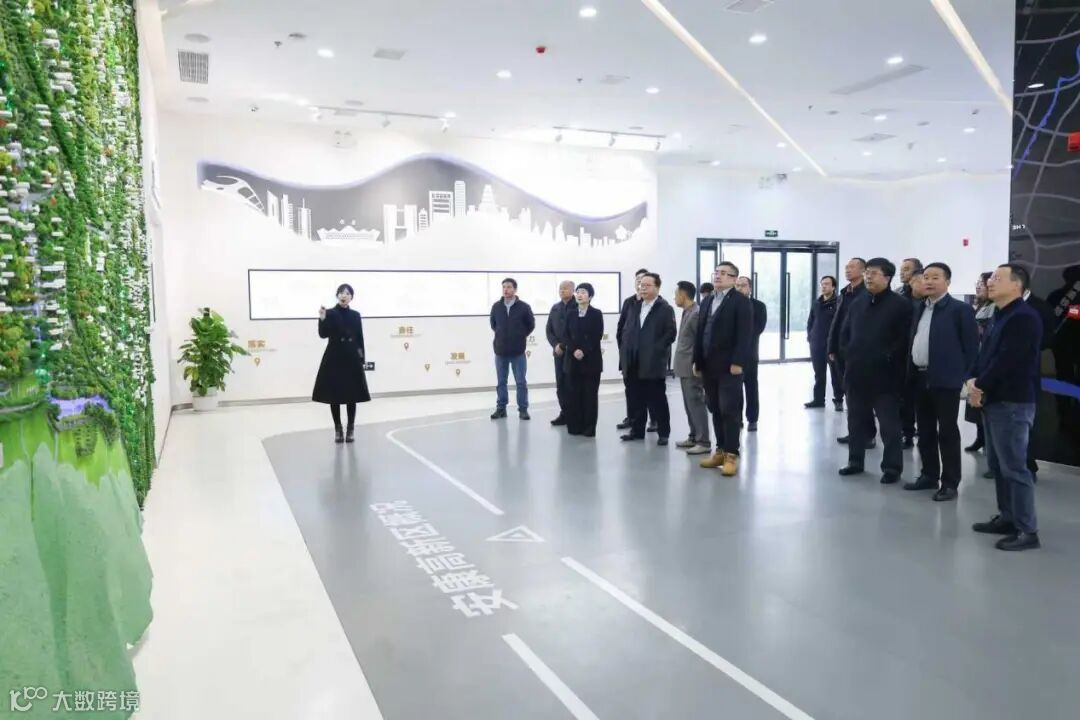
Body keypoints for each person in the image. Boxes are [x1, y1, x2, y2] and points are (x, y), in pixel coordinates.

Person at [968, 264, 1044, 551]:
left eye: (998, 278)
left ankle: (1028, 530)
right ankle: (1008, 518)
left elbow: (1008, 360)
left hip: (1013, 401)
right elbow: (984, 354)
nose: (990, 282)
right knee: (998, 466)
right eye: (990, 278)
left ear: (1016, 285)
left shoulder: (1024, 317)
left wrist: (979, 385)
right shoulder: (999, 313)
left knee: (1014, 468)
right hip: (994, 398)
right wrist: (973, 380)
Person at [903, 262, 979, 501]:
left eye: (935, 277)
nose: (929, 281)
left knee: (947, 432)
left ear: (947, 282)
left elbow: (971, 348)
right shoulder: (918, 308)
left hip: (946, 379)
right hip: (919, 376)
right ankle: (928, 475)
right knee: (925, 430)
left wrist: (967, 378)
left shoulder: (960, 310)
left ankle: (950, 483)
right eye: (926, 277)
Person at [837, 258, 911, 484]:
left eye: (874, 273)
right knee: (856, 421)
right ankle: (855, 461)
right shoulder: (858, 302)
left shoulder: (900, 305)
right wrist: (847, 353)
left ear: (887, 278)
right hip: (856, 372)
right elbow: (845, 332)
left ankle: (892, 468)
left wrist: (887, 358)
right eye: (867, 272)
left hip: (885, 376)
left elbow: (903, 340)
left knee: (889, 425)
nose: (868, 277)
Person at [694, 262, 753, 476]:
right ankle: (719, 450)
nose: (718, 276)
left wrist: (738, 362)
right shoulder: (708, 300)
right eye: (716, 272)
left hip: (730, 367)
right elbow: (700, 332)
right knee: (715, 408)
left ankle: (731, 454)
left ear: (734, 278)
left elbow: (745, 334)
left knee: (729, 410)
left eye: (723, 273)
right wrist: (697, 361)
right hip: (708, 365)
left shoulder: (740, 301)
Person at [619, 273, 677, 445]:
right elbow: (626, 330)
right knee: (635, 399)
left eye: (647, 285)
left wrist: (655, 349)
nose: (642, 288)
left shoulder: (665, 308)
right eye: (641, 285)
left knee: (657, 399)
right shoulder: (634, 306)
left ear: (657, 287)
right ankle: (637, 431)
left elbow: (670, 333)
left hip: (652, 362)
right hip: (632, 361)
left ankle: (663, 433)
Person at [313, 283, 371, 443]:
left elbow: (359, 338)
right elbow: (323, 334)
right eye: (341, 293)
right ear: (337, 295)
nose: (344, 295)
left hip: (351, 357)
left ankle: (350, 428)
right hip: (334, 356)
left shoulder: (356, 315)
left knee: (352, 395)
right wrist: (322, 318)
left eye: (347, 293)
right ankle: (338, 429)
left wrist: (361, 358)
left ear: (351, 297)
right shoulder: (330, 313)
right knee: (335, 395)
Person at [828, 258, 870, 433]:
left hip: (858, 351)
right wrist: (831, 347)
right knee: (849, 394)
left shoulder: (867, 294)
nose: (847, 270)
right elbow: (836, 322)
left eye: (852, 267)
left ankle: (867, 434)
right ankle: (855, 433)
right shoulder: (844, 293)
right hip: (841, 350)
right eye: (846, 267)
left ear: (863, 271)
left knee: (861, 395)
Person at [673, 280, 710, 455]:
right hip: (683, 365)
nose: (675, 298)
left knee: (696, 403)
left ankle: (703, 441)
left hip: (691, 366)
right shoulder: (687, 312)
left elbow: (701, 341)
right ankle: (694, 436)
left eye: (676, 295)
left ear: (683, 295)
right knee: (689, 404)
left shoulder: (696, 313)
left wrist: (698, 363)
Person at [489, 278, 535, 420]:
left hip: (518, 352)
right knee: (501, 382)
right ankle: (501, 408)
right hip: (500, 351)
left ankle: (523, 409)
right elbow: (493, 324)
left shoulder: (524, 307)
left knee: (521, 382)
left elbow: (530, 325)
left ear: (515, 289)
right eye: (504, 287)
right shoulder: (496, 306)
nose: (506, 289)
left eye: (509, 287)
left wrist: (519, 335)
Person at [563, 283, 604, 437]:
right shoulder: (570, 313)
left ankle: (589, 428)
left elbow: (597, 335)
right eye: (578, 292)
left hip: (591, 361)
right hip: (572, 360)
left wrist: (583, 350)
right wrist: (574, 349)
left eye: (583, 292)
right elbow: (565, 335)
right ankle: (575, 426)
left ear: (590, 296)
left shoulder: (596, 314)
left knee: (590, 396)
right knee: (573, 395)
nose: (579, 295)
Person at [616, 269, 652, 431]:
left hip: (646, 357)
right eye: (637, 279)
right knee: (630, 389)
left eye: (643, 280)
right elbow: (621, 327)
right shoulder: (628, 302)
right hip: (628, 355)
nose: (640, 282)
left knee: (648, 390)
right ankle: (631, 418)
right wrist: (623, 349)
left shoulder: (654, 303)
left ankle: (653, 419)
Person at [964, 272, 995, 452]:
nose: (978, 287)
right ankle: (980, 438)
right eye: (977, 283)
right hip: (976, 360)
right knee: (976, 405)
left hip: (987, 362)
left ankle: (988, 442)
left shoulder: (995, 308)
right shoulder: (980, 306)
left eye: (982, 284)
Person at [735, 276, 766, 431]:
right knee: (735, 389)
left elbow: (758, 328)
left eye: (743, 285)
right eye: (737, 285)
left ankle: (752, 419)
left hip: (750, 354)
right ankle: (737, 418)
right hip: (733, 355)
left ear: (750, 288)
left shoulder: (759, 306)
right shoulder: (730, 305)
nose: (740, 288)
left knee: (751, 387)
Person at [805, 276, 841, 409]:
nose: (824, 286)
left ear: (833, 287)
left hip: (831, 344)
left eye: (827, 284)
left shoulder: (838, 302)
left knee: (835, 374)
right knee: (819, 374)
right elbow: (810, 321)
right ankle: (818, 399)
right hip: (816, 344)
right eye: (822, 284)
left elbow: (840, 323)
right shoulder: (816, 303)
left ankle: (838, 399)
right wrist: (810, 336)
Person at [900, 269, 926, 447]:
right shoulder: (901, 303)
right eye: (921, 280)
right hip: (903, 357)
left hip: (924, 359)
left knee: (924, 400)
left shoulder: (931, 304)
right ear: (912, 282)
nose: (925, 283)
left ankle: (925, 432)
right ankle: (907, 432)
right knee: (905, 399)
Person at [546, 280, 575, 426]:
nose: (562, 291)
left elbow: (577, 331)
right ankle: (565, 413)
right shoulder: (555, 308)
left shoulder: (578, 306)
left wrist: (564, 345)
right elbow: (549, 330)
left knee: (572, 384)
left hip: (573, 354)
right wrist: (555, 345)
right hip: (558, 354)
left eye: (565, 288)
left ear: (573, 290)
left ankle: (576, 414)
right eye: (560, 288)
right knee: (561, 385)